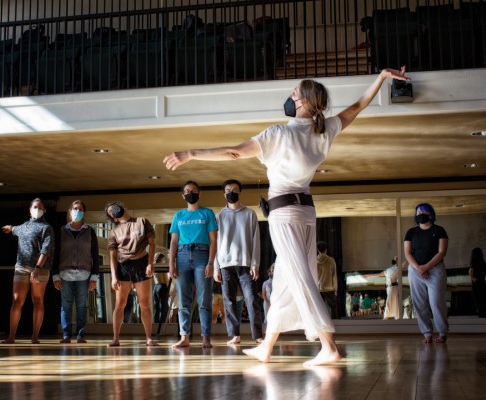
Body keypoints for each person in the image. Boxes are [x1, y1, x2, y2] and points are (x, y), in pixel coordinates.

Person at [164, 67, 409, 365]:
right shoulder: (324, 129)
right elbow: (358, 106)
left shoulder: (278, 133)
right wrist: (382, 78)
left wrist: (190, 153)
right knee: (283, 278)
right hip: (306, 211)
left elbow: (234, 153)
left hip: (284, 214)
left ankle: (328, 345)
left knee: (300, 277)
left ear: (305, 101)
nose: (290, 96)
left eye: (295, 93)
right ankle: (267, 345)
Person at [168, 181, 218, 349]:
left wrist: (211, 262)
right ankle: (184, 337)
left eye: (194, 191)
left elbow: (213, 240)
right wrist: (171, 265)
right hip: (182, 256)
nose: (191, 193)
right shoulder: (178, 216)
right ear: (183, 195)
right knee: (184, 300)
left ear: (199, 193)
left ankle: (206, 337)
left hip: (202, 255)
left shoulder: (207, 213)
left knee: (204, 299)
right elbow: (173, 242)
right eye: (187, 191)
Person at [214, 179, 263, 345]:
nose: (231, 193)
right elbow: (215, 243)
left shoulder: (250, 214)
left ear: (240, 192)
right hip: (225, 265)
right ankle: (235, 335)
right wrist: (216, 267)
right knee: (229, 300)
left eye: (234, 190)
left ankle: (258, 335)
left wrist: (255, 264)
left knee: (251, 299)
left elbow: (256, 241)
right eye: (228, 190)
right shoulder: (219, 216)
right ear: (224, 193)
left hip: (246, 264)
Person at [1, 198, 54, 344]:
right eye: (35, 207)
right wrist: (10, 228)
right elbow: (15, 229)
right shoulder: (23, 226)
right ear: (30, 209)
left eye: (40, 207)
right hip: (21, 267)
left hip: (40, 269)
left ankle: (35, 336)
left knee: (37, 300)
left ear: (44, 210)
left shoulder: (46, 227)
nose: (37, 209)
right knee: (17, 300)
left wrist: (37, 267)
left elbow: (46, 250)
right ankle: (11, 336)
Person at [105, 201, 157, 347]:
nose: (114, 209)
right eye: (110, 211)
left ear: (123, 207)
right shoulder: (114, 231)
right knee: (120, 304)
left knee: (145, 304)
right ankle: (115, 338)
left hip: (141, 264)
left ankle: (148, 338)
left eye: (114, 207)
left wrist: (150, 263)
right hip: (123, 266)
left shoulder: (142, 221)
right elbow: (112, 256)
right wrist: (114, 276)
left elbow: (152, 243)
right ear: (113, 218)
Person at [52, 200, 99, 343]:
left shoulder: (90, 231)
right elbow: (55, 254)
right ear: (69, 211)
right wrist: (55, 275)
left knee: (81, 305)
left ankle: (80, 335)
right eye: (74, 208)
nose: (77, 211)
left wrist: (94, 277)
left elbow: (95, 255)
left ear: (83, 212)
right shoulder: (61, 230)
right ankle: (66, 334)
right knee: (65, 305)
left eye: (79, 209)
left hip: (84, 274)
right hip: (64, 274)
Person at [404, 203, 449, 344]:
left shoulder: (440, 230)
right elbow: (407, 253)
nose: (421, 214)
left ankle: (442, 332)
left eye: (424, 211)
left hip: (435, 270)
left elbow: (442, 252)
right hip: (416, 271)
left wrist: (427, 266)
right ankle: (427, 334)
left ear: (431, 214)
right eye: (418, 212)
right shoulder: (411, 232)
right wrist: (419, 268)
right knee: (419, 303)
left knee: (436, 302)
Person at [317, 241, 338, 319]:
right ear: (326, 249)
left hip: (319, 288)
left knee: (319, 308)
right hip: (329, 287)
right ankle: (335, 324)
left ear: (317, 250)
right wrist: (335, 288)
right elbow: (334, 275)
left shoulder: (314, 261)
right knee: (333, 307)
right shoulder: (331, 260)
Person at [468, 247, 486, 317]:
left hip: (476, 283)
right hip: (482, 282)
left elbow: (470, 271)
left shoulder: (473, 262)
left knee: (478, 298)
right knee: (483, 298)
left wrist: (473, 278)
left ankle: (480, 312)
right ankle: (483, 312)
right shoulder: (483, 263)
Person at [153, 252, 170, 323]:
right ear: (161, 258)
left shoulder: (154, 266)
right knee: (163, 307)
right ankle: (162, 323)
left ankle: (156, 323)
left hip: (156, 287)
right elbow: (165, 279)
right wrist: (168, 289)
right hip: (162, 286)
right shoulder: (162, 266)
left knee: (156, 307)